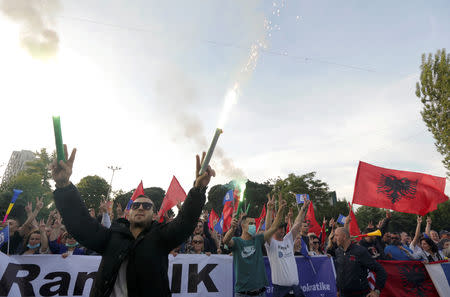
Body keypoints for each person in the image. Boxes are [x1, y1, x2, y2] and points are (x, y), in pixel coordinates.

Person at [50, 145, 215, 297]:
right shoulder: (111, 237)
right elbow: (81, 224)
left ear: (154, 215)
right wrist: (64, 185)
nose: (141, 208)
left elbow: (185, 222)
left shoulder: (161, 237)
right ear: (128, 214)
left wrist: (198, 190)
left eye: (146, 206)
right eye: (136, 205)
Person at [223, 195, 287, 297]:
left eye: (254, 223)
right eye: (251, 223)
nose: (254, 225)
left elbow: (274, 227)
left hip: (261, 293)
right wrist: (232, 229)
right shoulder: (237, 241)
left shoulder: (258, 239)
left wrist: (280, 209)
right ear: (243, 226)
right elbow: (226, 240)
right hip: (243, 294)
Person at [265, 198, 309, 297]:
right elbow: (267, 229)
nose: (282, 229)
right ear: (274, 229)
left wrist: (303, 209)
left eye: (283, 227)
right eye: (279, 227)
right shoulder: (271, 243)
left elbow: (297, 224)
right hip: (281, 291)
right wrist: (269, 210)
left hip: (296, 289)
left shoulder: (288, 239)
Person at [334, 227, 386, 297]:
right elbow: (339, 272)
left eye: (336, 235)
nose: (335, 238)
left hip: (359, 294)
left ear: (344, 236)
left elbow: (380, 270)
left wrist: (377, 291)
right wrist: (338, 290)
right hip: (342, 294)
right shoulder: (338, 251)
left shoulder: (360, 251)